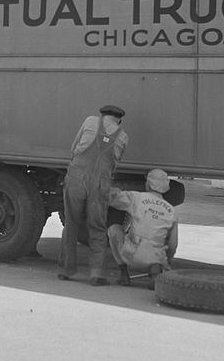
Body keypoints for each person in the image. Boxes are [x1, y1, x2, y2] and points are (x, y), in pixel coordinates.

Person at [58, 104, 129, 286]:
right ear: (119, 120)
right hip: (100, 185)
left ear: (101, 115)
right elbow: (114, 163)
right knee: (97, 227)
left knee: (71, 223)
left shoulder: (90, 121)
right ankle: (96, 274)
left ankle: (66, 270)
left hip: (77, 178)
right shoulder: (123, 136)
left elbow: (74, 148)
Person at [107, 168, 179, 290]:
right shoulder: (172, 211)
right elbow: (173, 245)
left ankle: (123, 272)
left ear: (148, 184)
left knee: (114, 229)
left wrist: (103, 186)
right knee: (158, 249)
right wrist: (167, 262)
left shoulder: (137, 198)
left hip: (131, 255)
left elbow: (113, 198)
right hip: (156, 258)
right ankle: (155, 270)